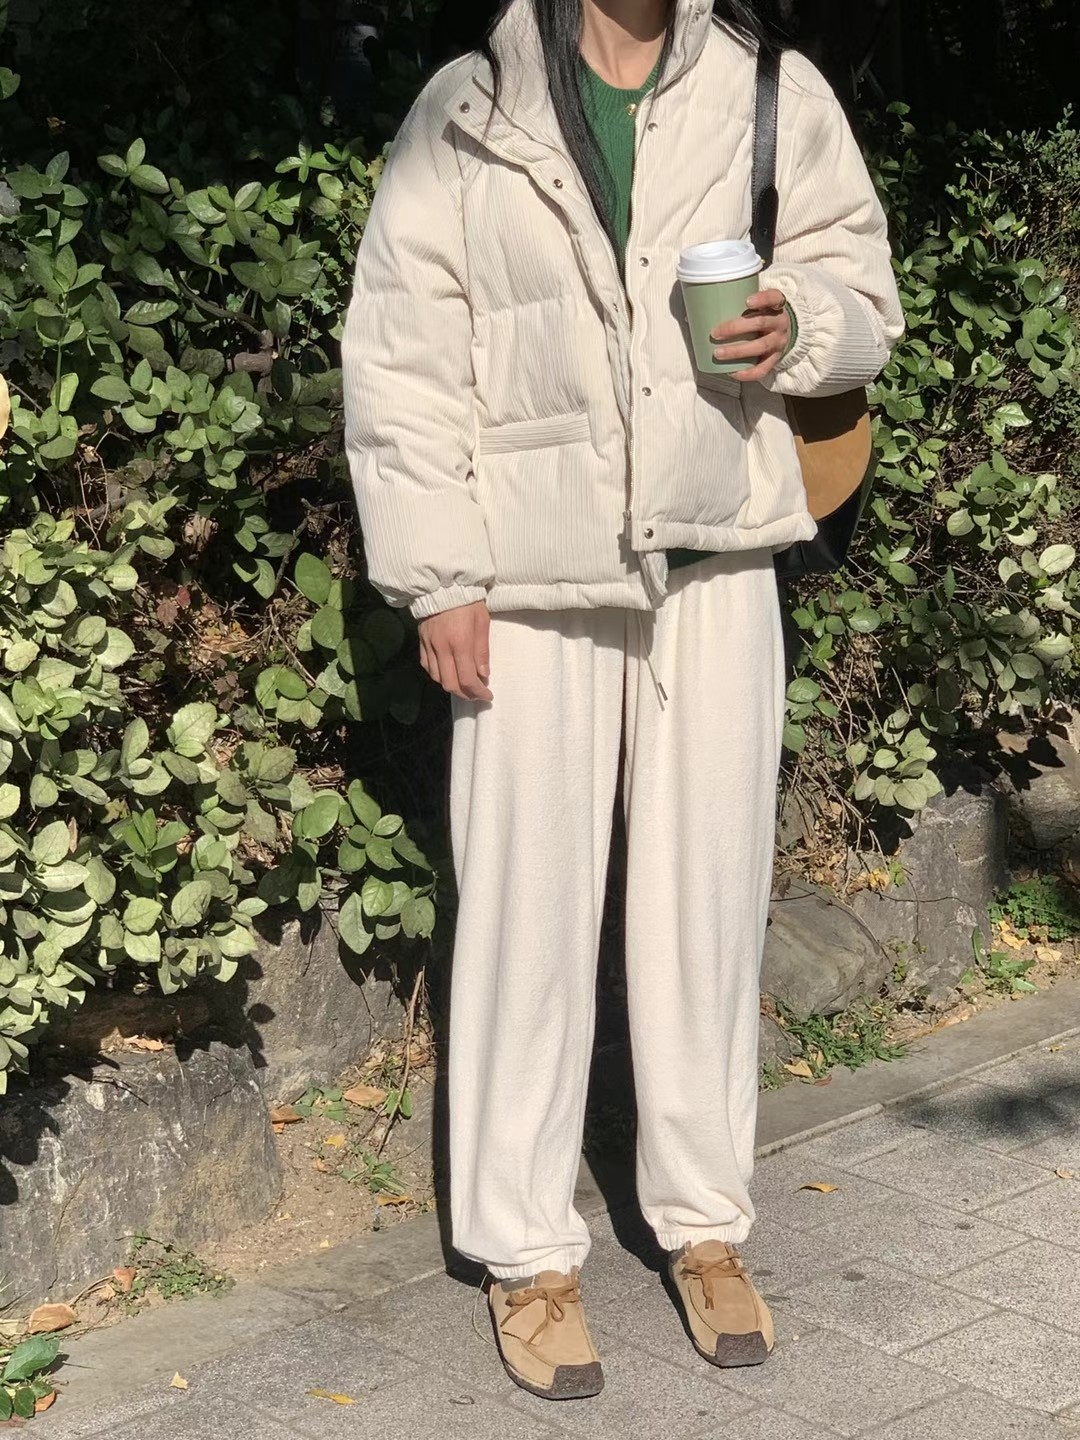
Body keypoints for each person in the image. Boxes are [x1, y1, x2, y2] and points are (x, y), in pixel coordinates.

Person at [343, 0, 902, 1402]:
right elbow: (402, 360)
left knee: (707, 906)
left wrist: (803, 322)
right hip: (531, 579)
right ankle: (526, 1251)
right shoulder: (469, 108)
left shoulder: (774, 92)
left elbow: (865, 302)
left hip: (719, 561)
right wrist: (439, 577)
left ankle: (705, 1224)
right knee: (524, 918)